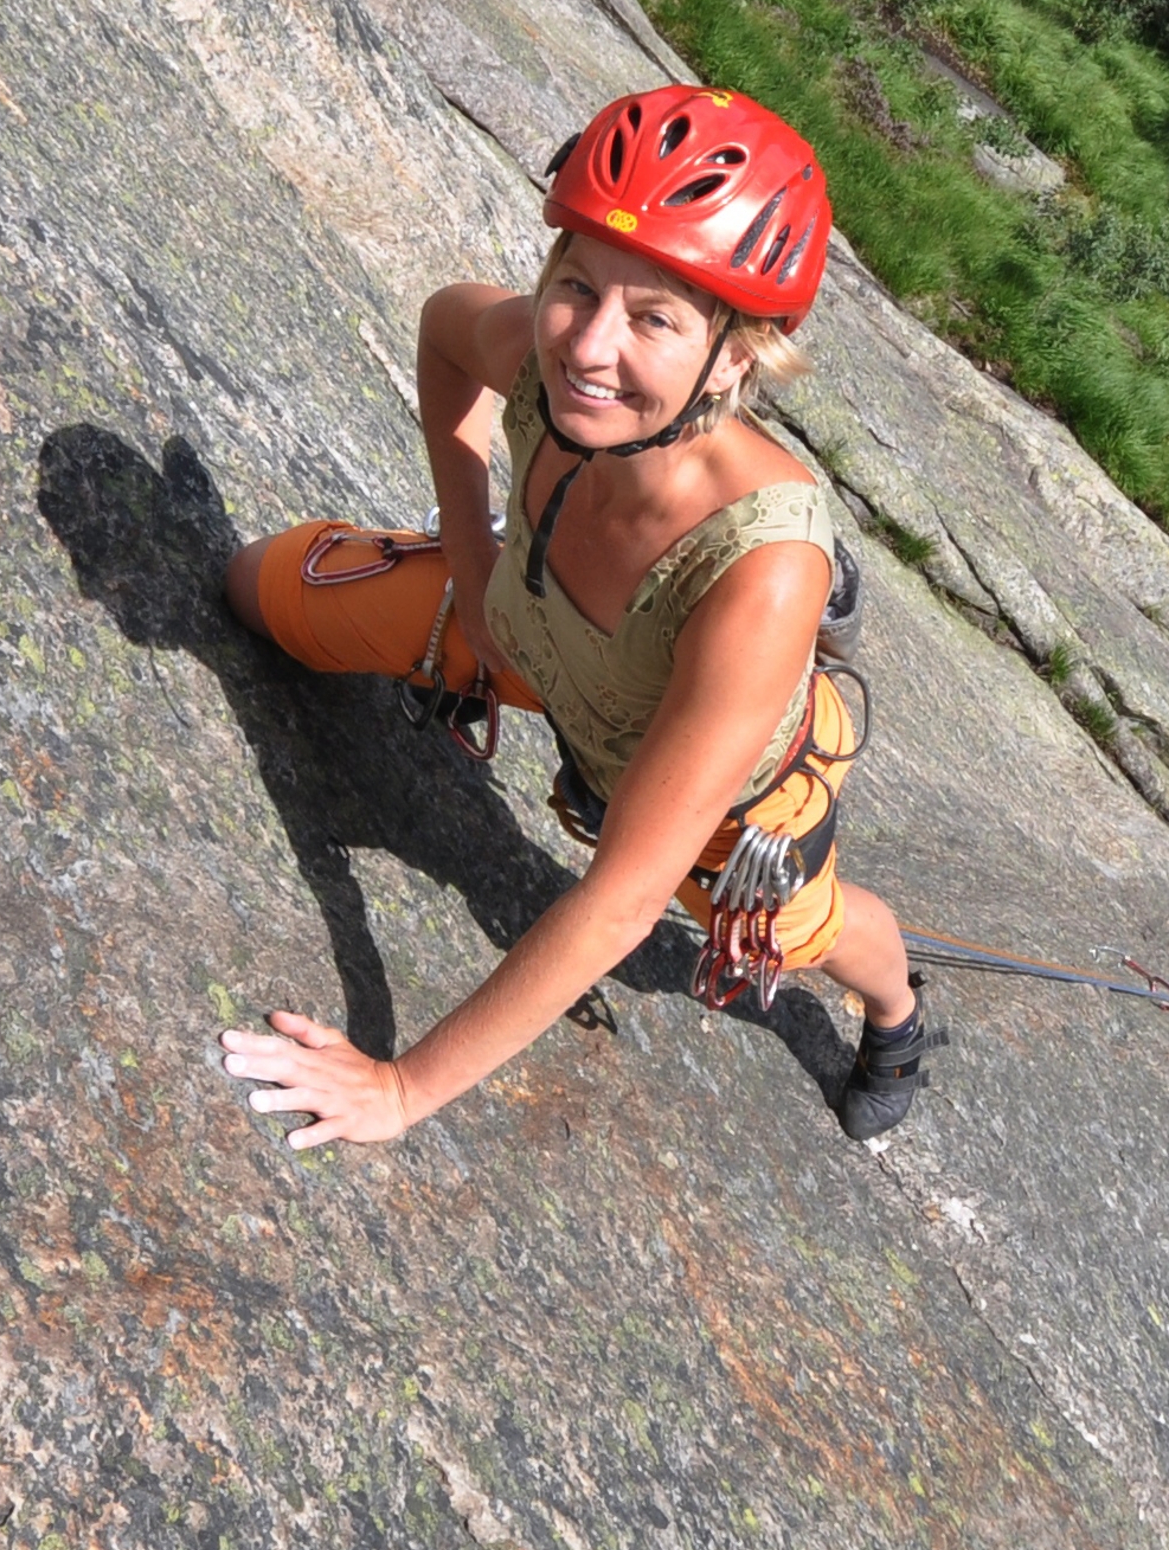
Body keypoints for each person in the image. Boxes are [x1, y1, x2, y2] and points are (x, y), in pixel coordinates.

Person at [213, 87, 934, 1148]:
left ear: (738, 356)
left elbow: (622, 901)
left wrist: (402, 1090)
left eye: (654, 319)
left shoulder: (763, 574)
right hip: (533, 632)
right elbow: (445, 329)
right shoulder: (550, 375)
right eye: (575, 287)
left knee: (808, 927)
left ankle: (902, 1016)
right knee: (255, 589)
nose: (589, 349)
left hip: (720, 794)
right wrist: (470, 556)